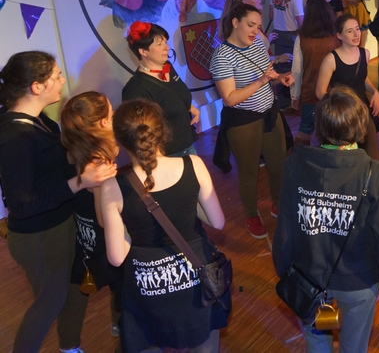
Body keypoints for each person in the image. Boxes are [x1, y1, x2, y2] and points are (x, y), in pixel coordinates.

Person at [0, 51, 117, 353]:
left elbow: (54, 169)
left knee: (76, 290)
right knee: (50, 301)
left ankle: (69, 347)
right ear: (37, 87)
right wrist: (82, 181)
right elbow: (22, 204)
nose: (63, 81)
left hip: (61, 223)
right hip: (38, 236)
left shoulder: (40, 121)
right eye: (56, 76)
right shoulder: (15, 137)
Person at [274, 86, 379, 353]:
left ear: (319, 125)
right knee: (354, 347)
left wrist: (283, 269)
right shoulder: (375, 173)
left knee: (315, 340)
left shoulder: (294, 165)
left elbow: (285, 227)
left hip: (307, 276)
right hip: (359, 281)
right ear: (361, 127)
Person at [100, 99, 228, 353]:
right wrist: (186, 203)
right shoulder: (193, 165)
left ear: (120, 140)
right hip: (195, 278)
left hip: (149, 288)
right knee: (203, 342)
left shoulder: (113, 187)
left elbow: (117, 257)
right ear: (162, 130)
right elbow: (218, 221)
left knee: (148, 341)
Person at [210, 2, 293, 238]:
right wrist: (261, 81)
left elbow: (267, 76)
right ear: (235, 23)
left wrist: (280, 78)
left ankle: (278, 205)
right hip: (243, 122)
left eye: (258, 26)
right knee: (249, 174)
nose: (256, 31)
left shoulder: (256, 45)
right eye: (250, 25)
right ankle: (251, 215)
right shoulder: (222, 56)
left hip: (269, 113)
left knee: (279, 165)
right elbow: (230, 98)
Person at [60, 91, 124, 339]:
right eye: (111, 112)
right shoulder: (100, 164)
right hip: (103, 243)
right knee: (122, 286)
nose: (115, 115)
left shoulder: (72, 151)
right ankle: (121, 326)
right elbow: (103, 218)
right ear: (103, 123)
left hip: (84, 237)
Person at [122, 21, 200, 157]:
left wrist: (188, 106)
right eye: (159, 44)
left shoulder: (167, 66)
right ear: (143, 51)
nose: (166, 48)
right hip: (167, 155)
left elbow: (172, 95)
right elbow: (139, 135)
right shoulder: (136, 89)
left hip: (188, 144)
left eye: (165, 42)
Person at [316, 15, 379, 160]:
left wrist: (375, 92)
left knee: (371, 154)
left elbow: (362, 77)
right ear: (339, 35)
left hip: (362, 109)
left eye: (357, 29)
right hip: (343, 115)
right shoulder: (331, 59)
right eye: (350, 31)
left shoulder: (365, 53)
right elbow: (320, 92)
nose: (356, 34)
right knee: (346, 157)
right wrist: (340, 106)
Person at [290, 0, 339, 146]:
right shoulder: (336, 37)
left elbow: (297, 70)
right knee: (333, 131)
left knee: (305, 130)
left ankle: (301, 158)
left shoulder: (302, 37)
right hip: (333, 92)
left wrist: (295, 94)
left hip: (310, 91)